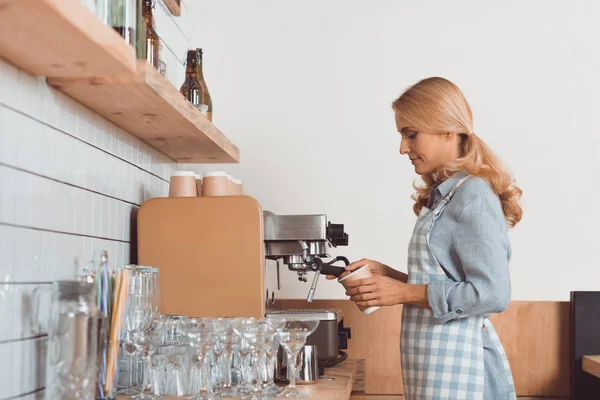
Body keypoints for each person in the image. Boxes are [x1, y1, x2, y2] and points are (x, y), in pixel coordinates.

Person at [328, 77, 522, 399]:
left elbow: (492, 293)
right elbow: (443, 281)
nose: (403, 147)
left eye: (410, 134)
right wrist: (389, 279)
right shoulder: (445, 196)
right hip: (432, 371)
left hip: (464, 372)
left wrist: (402, 291)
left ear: (448, 130)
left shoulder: (473, 195)